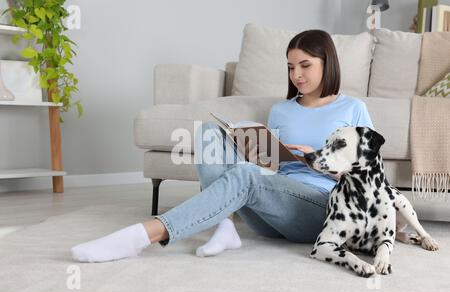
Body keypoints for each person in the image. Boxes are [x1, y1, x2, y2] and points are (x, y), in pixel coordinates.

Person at [71, 29, 374, 263]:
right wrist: (259, 155)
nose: (296, 75)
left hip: (322, 209)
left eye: (305, 65)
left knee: (246, 176)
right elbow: (272, 166)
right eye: (291, 67)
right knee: (210, 132)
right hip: (271, 209)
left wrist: (316, 160)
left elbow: (371, 178)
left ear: (327, 62)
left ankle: (141, 236)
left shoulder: (352, 109)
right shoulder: (282, 110)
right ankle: (225, 226)